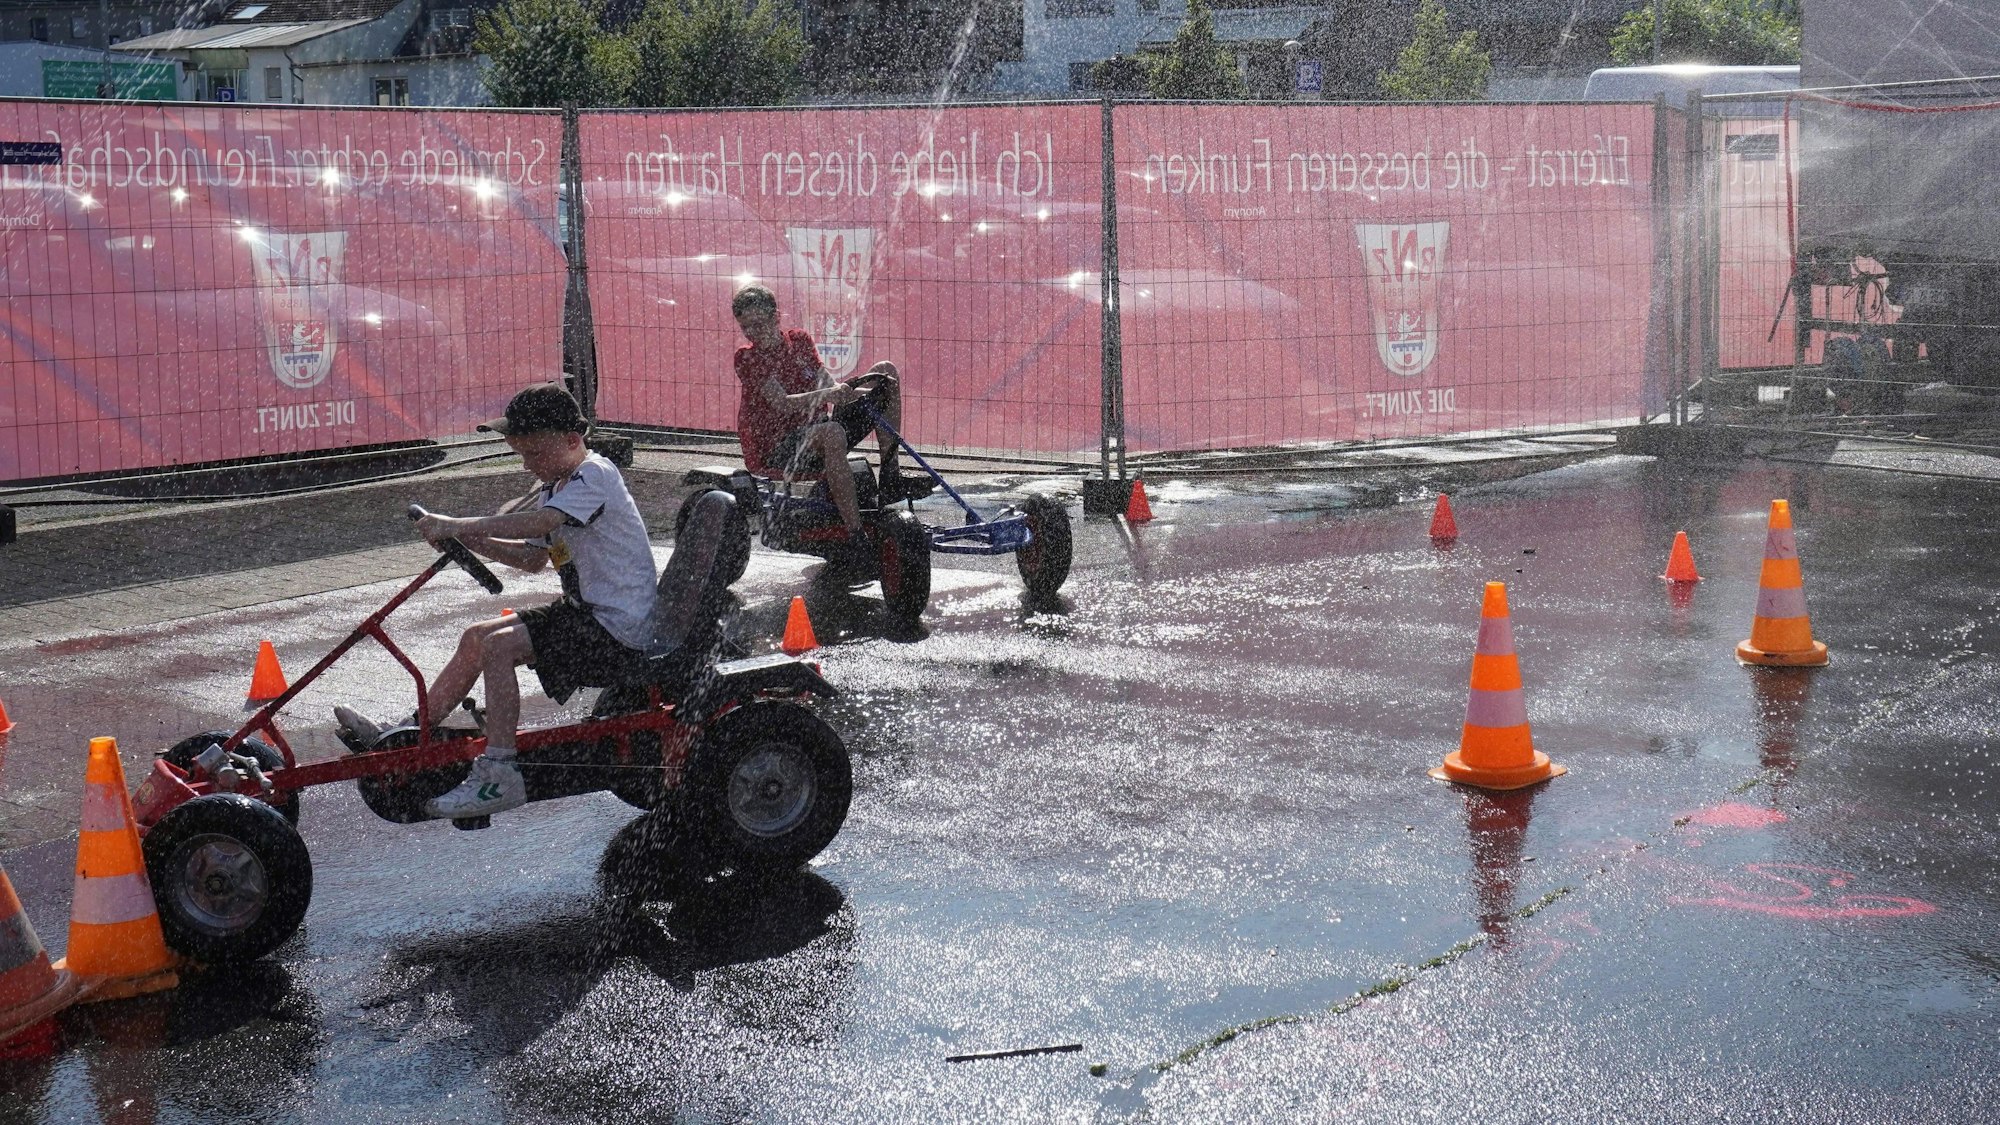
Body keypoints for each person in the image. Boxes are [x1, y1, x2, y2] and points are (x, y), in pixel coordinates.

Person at [333, 382, 659, 820]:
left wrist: (455, 522)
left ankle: (499, 772)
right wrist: (468, 537)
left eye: (536, 453)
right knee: (477, 636)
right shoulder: (557, 486)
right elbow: (529, 560)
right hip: (589, 616)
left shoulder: (595, 474)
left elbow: (543, 522)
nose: (530, 464)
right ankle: (411, 734)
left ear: (572, 439)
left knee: (498, 647)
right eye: (522, 455)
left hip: (619, 629)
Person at [731, 284, 931, 543]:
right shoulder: (747, 358)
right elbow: (782, 403)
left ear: (776, 316)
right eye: (746, 327)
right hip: (779, 449)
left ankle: (890, 477)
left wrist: (853, 393)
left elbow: (826, 384)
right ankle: (856, 534)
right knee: (832, 431)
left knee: (886, 372)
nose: (752, 333)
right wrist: (829, 395)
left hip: (816, 433)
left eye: (759, 324)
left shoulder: (800, 341)